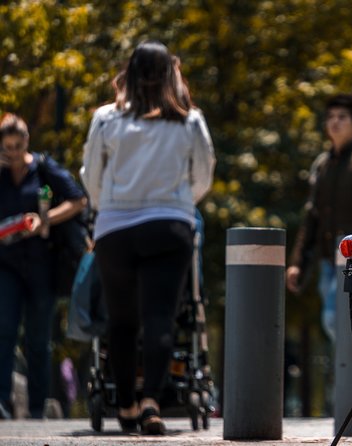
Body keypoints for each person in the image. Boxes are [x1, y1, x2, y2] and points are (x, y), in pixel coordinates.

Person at [80, 41, 215, 435]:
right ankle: (153, 401)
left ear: (130, 73)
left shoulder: (106, 119)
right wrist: (178, 203)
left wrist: (110, 207)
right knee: (160, 316)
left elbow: (91, 174)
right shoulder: (189, 120)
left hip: (116, 229)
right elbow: (204, 173)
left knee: (122, 321)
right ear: (172, 73)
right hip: (168, 225)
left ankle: (124, 404)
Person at [286, 94, 352, 342]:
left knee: (341, 323)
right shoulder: (322, 166)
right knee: (344, 328)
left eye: (342, 117)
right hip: (328, 262)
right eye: (331, 117)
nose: (335, 122)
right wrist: (297, 263)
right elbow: (311, 219)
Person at [0, 113, 88, 419]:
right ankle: (2, 403)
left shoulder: (43, 167)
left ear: (26, 141)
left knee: (38, 338)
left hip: (41, 265)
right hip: (7, 265)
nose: (11, 153)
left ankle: (37, 408)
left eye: (16, 145)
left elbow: (78, 200)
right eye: (6, 147)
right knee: (4, 330)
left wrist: (45, 220)